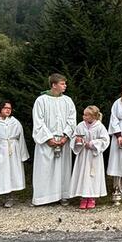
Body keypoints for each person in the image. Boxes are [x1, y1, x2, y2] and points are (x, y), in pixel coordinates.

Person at [31, 73, 77, 206]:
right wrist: (48, 138)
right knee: (45, 170)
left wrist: (65, 136)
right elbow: (38, 121)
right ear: (54, 85)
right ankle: (43, 197)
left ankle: (63, 195)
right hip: (47, 141)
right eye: (62, 84)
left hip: (63, 140)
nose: (65, 86)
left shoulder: (68, 101)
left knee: (63, 169)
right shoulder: (41, 100)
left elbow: (72, 119)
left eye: (65, 83)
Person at [69, 106, 110, 210]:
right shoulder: (80, 125)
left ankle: (92, 197)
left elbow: (105, 140)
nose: (84, 117)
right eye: (84, 114)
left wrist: (92, 144)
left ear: (93, 116)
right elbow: (74, 137)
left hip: (94, 156)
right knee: (83, 175)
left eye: (86, 115)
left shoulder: (99, 127)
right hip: (83, 156)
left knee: (92, 176)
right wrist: (77, 140)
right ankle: (83, 197)